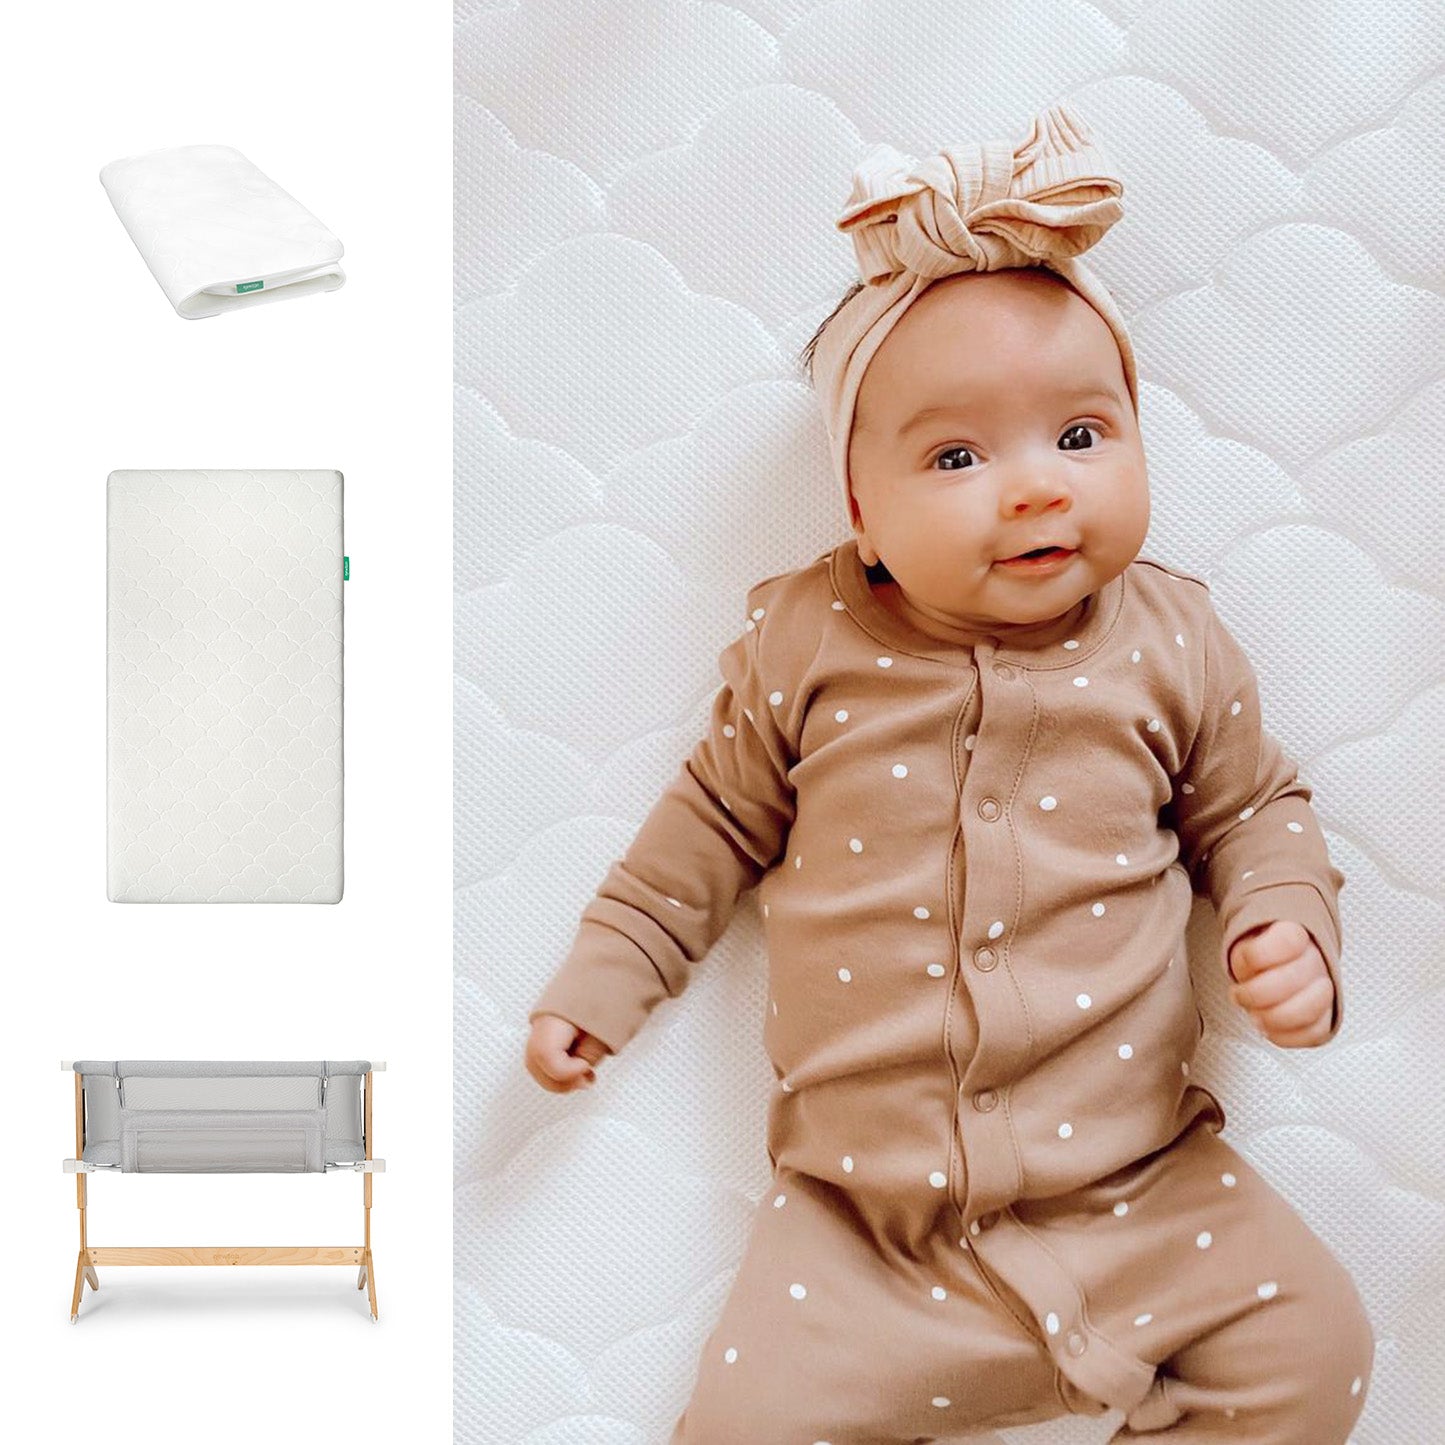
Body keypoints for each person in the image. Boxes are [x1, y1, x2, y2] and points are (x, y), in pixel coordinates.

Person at [524, 102, 1373, 1441]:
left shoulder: (1170, 638)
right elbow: (701, 830)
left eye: (1081, 436)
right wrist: (601, 982)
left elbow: (1254, 808)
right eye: (957, 457)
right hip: (866, 1234)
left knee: (1313, 1343)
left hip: (1143, 1195)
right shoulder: (810, 640)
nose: (1034, 489)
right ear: (858, 509)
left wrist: (1284, 923)